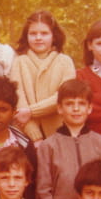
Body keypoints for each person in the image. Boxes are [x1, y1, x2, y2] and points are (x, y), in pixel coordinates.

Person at [36, 79, 101, 199]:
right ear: (59, 108)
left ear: (89, 108)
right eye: (69, 104)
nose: (76, 109)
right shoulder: (48, 146)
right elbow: (43, 189)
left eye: (81, 103)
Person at [9, 10, 76, 142]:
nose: (38, 38)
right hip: (26, 135)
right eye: (33, 33)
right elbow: (18, 99)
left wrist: (31, 111)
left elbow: (63, 96)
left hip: (60, 133)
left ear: (54, 36)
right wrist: (35, 135)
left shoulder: (65, 62)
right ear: (26, 36)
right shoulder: (19, 62)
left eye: (44, 33)